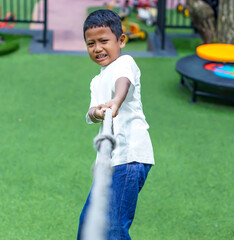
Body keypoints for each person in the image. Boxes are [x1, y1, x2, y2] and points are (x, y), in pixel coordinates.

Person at [77, 9, 155, 240]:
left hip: (129, 157)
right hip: (111, 161)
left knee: (113, 228)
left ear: (121, 40)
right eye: (91, 43)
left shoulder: (125, 63)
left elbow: (124, 83)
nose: (98, 48)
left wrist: (115, 102)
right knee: (88, 223)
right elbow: (90, 114)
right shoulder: (96, 80)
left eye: (104, 41)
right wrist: (98, 112)